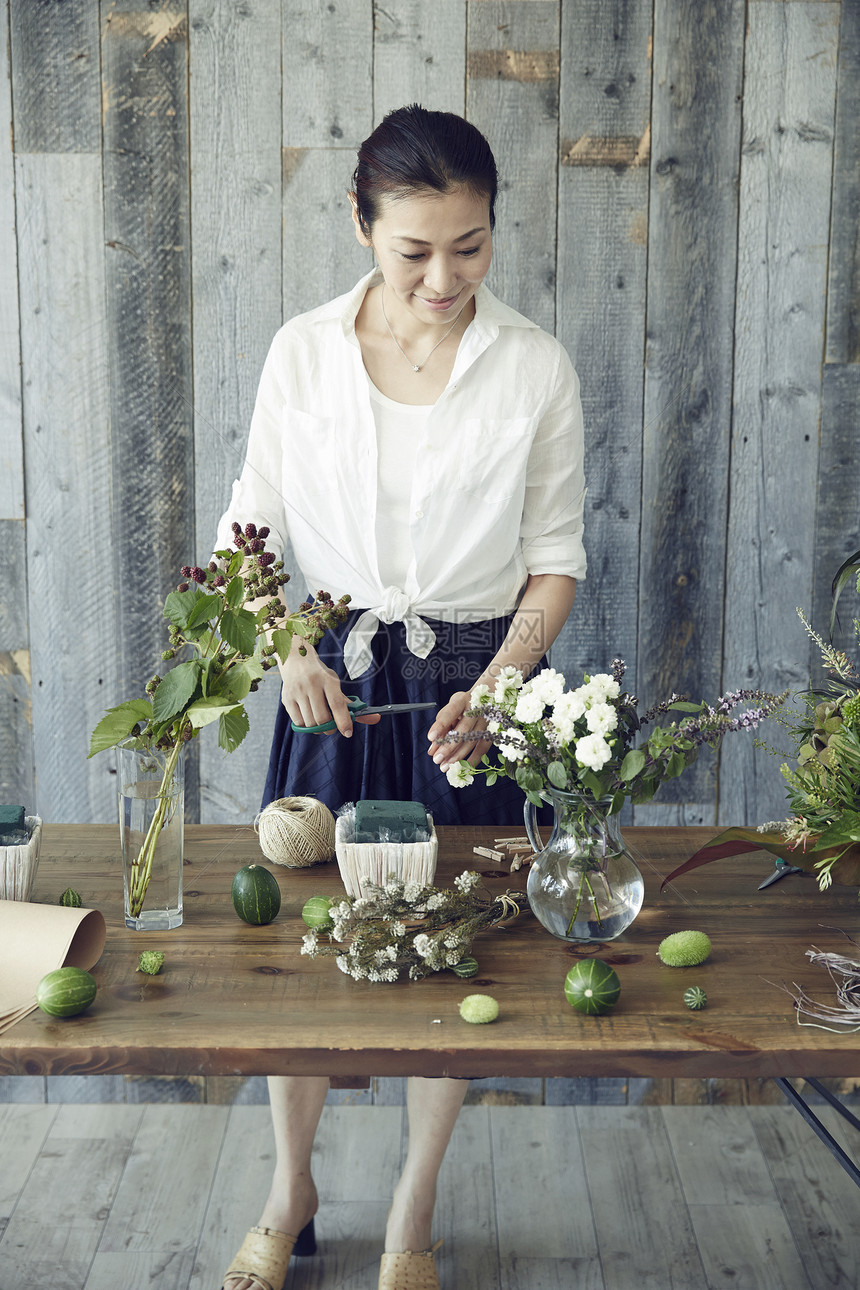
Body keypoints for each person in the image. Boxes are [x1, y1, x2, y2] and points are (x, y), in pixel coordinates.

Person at [219, 104, 586, 1290]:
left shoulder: (532, 364)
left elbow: (555, 556)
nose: (443, 277)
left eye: (469, 246)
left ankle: (413, 1213)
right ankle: (291, 1190)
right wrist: (287, 646)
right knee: (314, 945)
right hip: (330, 680)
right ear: (361, 225)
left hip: (471, 690)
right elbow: (253, 521)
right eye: (413, 249)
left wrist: (504, 682)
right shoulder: (301, 351)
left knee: (455, 955)